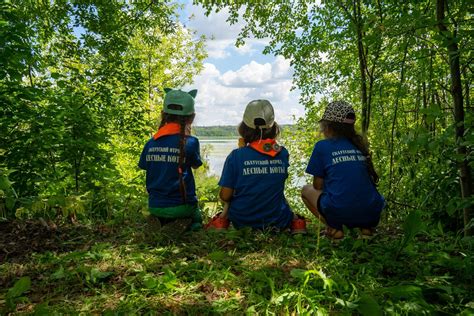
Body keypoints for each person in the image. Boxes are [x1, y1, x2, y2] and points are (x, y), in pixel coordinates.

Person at [206, 99, 306, 233]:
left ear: (244, 127)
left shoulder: (236, 156)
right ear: (273, 127)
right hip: (278, 221)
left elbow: (225, 196)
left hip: (242, 222)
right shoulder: (282, 153)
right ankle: (295, 222)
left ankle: (222, 220)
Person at [301, 100, 385, 239]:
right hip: (373, 211)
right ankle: (366, 230)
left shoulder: (322, 146)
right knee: (359, 193)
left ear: (327, 126)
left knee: (306, 190)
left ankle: (334, 229)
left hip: (340, 210)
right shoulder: (359, 145)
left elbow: (317, 186)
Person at [139, 88, 203, 231]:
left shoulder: (150, 143)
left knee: (164, 212)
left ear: (163, 114)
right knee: (198, 218)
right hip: (183, 206)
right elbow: (196, 165)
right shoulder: (191, 142)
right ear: (191, 118)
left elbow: (144, 166)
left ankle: (161, 221)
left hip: (155, 205)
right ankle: (189, 225)